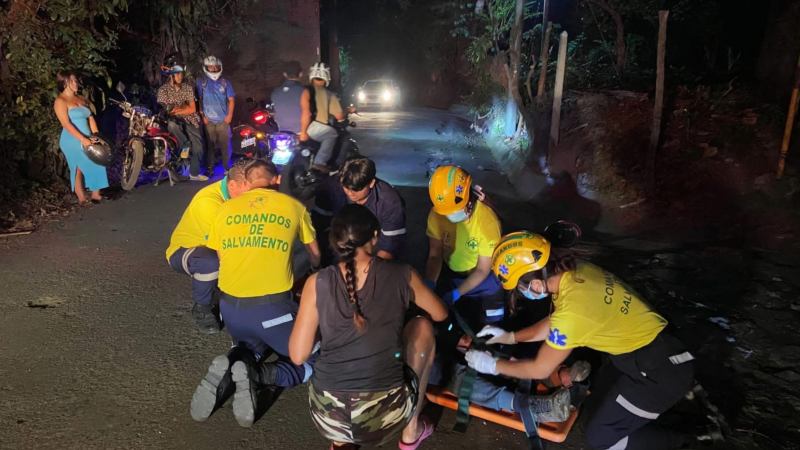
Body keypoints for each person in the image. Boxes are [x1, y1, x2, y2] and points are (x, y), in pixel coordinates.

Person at [464, 231, 695, 450]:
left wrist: (491, 365)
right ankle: (660, 417)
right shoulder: (574, 272)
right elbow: (555, 321)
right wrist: (512, 337)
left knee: (600, 438)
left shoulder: (573, 313)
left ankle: (686, 439)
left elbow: (539, 368)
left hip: (658, 374)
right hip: (642, 352)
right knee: (593, 412)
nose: (521, 293)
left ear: (535, 283)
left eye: (519, 288)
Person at [289, 204, 448, 449]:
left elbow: (298, 355)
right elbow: (439, 313)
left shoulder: (316, 282)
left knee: (339, 390)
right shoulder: (402, 273)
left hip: (326, 415)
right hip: (385, 417)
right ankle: (411, 430)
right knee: (423, 327)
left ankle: (341, 442)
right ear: (375, 236)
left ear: (335, 240)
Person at [192, 160, 321, 427]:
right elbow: (315, 255)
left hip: (230, 310)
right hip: (272, 310)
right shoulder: (294, 207)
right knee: (317, 356)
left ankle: (232, 363)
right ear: (277, 180)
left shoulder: (225, 209)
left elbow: (218, 254)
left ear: (247, 183)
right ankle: (261, 374)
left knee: (249, 345)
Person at [166, 159, 267, 334]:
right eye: (249, 192)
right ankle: (202, 307)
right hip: (188, 250)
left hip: (220, 244)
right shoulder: (209, 203)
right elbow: (227, 247)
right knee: (211, 262)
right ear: (233, 185)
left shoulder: (238, 194)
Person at [425, 165, 505, 327]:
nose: (450, 216)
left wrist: (458, 293)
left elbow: (483, 269)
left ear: (468, 197)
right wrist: (429, 284)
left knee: (492, 325)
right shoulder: (437, 214)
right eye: (446, 212)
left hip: (485, 281)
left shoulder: (487, 222)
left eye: (454, 211)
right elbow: (435, 254)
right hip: (452, 272)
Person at [313, 156, 406, 263]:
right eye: (346, 187)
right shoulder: (330, 187)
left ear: (371, 183)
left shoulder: (390, 202)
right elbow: (319, 225)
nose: (350, 193)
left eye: (357, 189)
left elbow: (390, 247)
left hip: (374, 251)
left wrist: (370, 272)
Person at [53, 71, 108, 204]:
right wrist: (82, 139)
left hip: (87, 136)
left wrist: (96, 135)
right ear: (65, 82)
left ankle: (95, 194)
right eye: (73, 81)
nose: (77, 83)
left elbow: (90, 118)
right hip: (71, 139)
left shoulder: (81, 99)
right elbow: (65, 123)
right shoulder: (60, 101)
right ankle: (82, 198)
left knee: (98, 159)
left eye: (76, 81)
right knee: (78, 167)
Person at [157, 56, 207, 181]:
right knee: (172, 126)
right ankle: (184, 149)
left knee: (199, 147)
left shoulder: (187, 88)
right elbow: (167, 109)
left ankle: (194, 173)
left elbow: (192, 109)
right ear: (171, 75)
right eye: (177, 74)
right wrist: (181, 108)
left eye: (181, 74)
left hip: (191, 119)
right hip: (173, 121)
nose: (180, 76)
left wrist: (180, 109)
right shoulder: (163, 90)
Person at [300, 62, 345, 173]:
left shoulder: (302, 90)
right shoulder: (329, 94)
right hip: (311, 128)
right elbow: (339, 116)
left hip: (289, 127)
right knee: (332, 133)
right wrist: (348, 110)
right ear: (327, 78)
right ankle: (319, 162)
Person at [197, 55, 235, 175]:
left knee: (225, 146)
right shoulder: (201, 82)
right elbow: (198, 100)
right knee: (210, 146)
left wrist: (229, 116)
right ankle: (210, 168)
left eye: (215, 67)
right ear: (205, 68)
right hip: (209, 121)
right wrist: (203, 116)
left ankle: (227, 168)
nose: (213, 69)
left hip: (223, 120)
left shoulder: (225, 82)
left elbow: (231, 100)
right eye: (210, 67)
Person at [270, 60, 305, 134]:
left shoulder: (275, 92)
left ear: (285, 74)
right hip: (300, 132)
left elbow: (273, 112)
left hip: (282, 133)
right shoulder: (304, 91)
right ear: (301, 74)